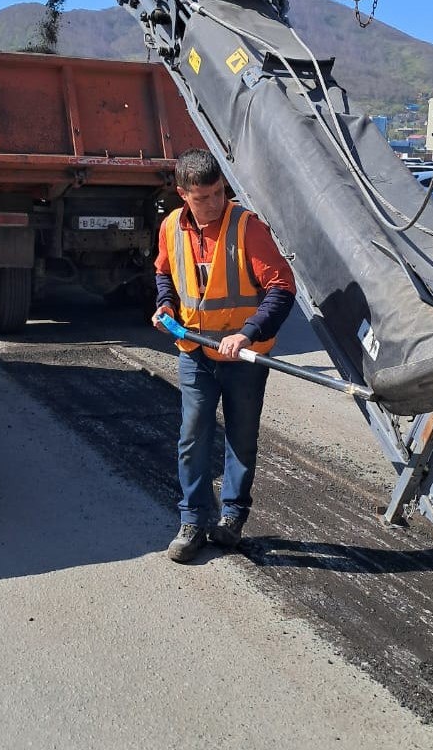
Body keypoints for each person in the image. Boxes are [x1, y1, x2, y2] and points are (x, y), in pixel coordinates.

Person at [152, 148, 296, 563]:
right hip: (194, 351)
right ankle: (193, 519)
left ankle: (231, 516)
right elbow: (164, 272)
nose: (214, 204)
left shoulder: (248, 228)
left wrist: (247, 334)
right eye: (203, 197)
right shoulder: (170, 229)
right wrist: (164, 304)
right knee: (192, 435)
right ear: (184, 194)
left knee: (241, 437)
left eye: (218, 193)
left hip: (243, 359)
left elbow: (282, 290)